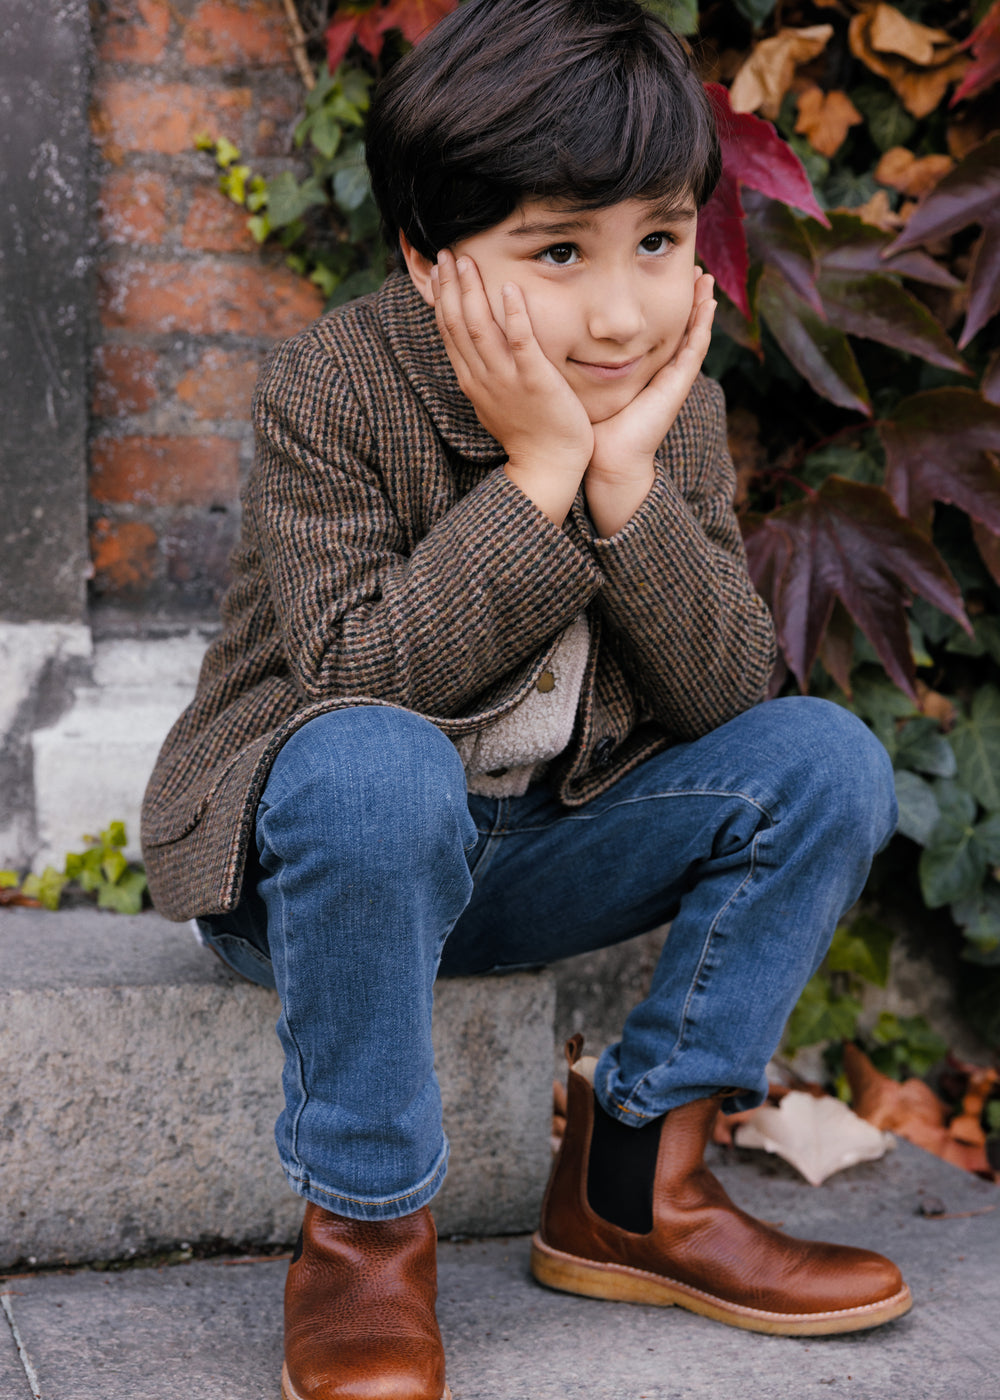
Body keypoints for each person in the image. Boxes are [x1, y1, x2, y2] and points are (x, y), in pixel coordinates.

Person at [141, 2, 911, 1396]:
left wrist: (624, 482)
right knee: (377, 767)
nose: (622, 312)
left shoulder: (664, 401)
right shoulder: (336, 385)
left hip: (536, 853)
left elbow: (726, 693)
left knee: (825, 761)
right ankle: (368, 1235)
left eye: (658, 243)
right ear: (428, 258)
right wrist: (543, 472)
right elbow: (358, 682)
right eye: (560, 252)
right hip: (319, 869)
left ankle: (638, 1187)